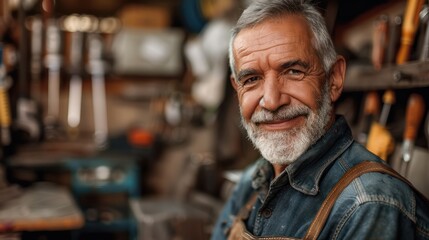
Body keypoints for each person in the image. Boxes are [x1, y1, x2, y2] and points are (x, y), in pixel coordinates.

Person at [211, 0, 429, 239]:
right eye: (251, 79)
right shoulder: (252, 182)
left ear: (334, 79)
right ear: (237, 89)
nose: (272, 102)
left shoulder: (369, 205)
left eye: (293, 71)